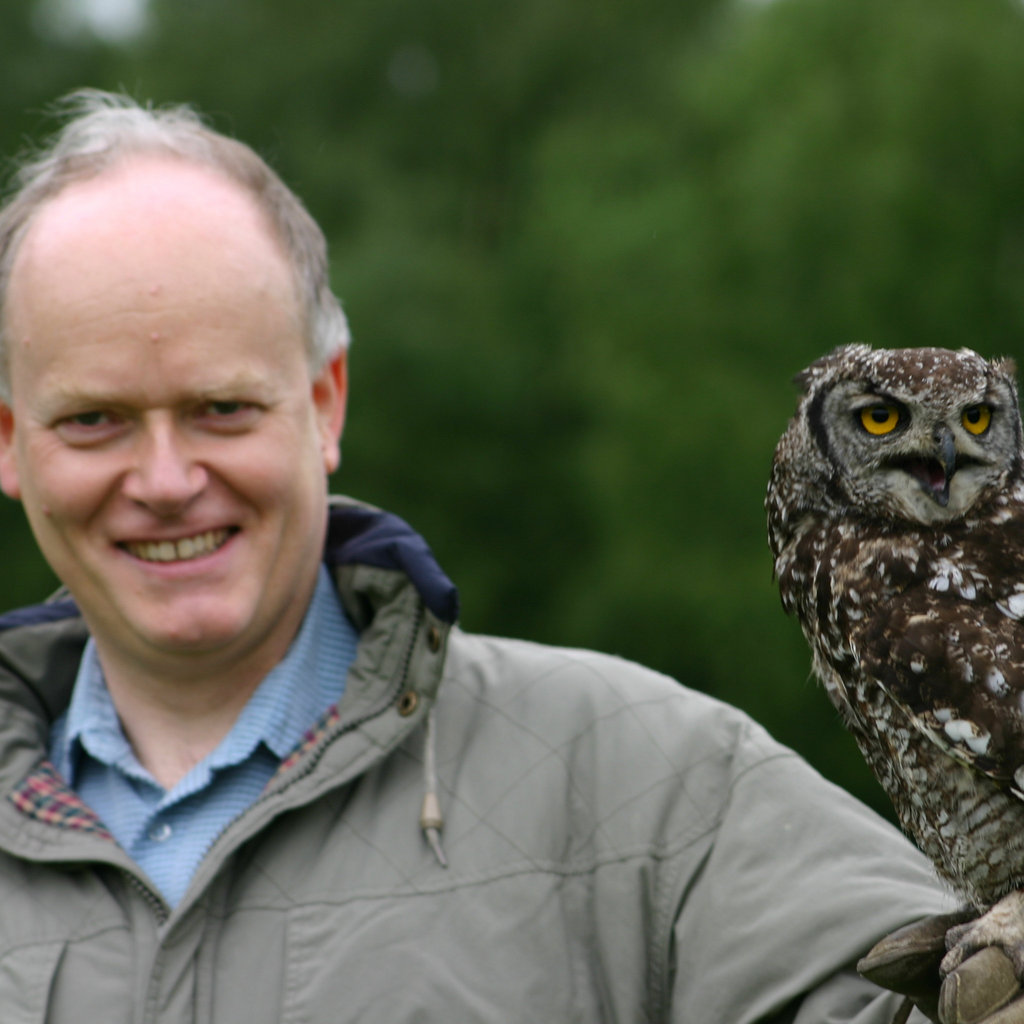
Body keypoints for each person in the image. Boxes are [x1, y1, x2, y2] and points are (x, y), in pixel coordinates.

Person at [0, 88, 996, 1023]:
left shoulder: (648, 782)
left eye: (222, 408)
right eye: (94, 420)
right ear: (9, 438)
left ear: (324, 402)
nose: (166, 478)